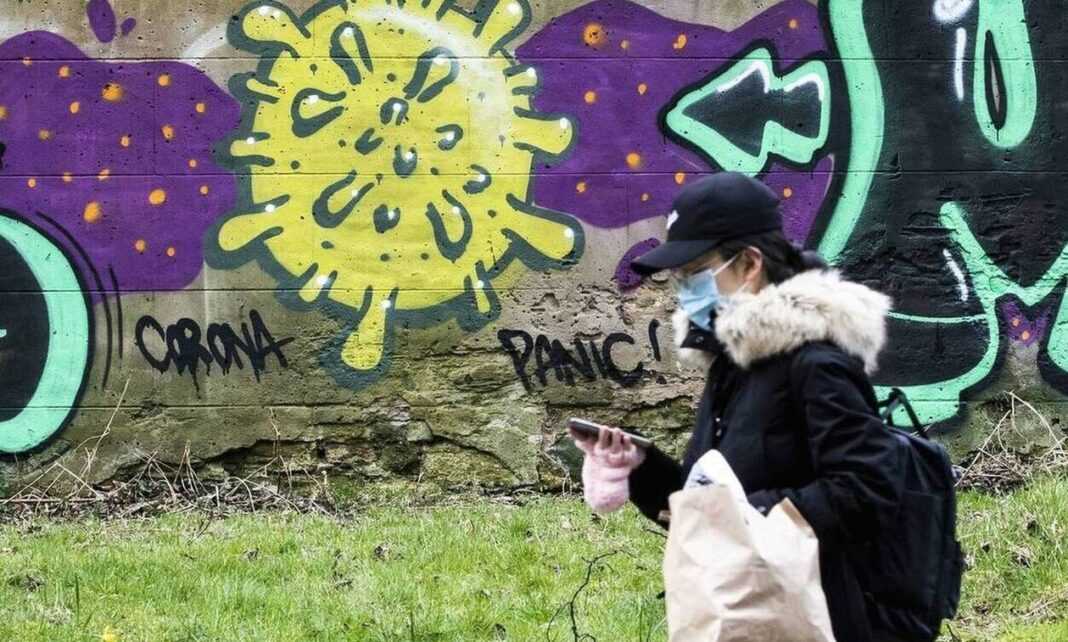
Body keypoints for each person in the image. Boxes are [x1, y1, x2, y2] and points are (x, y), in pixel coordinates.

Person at [570, 172, 906, 642]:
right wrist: (639, 470)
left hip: (818, 616)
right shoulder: (732, 363)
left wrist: (747, 514)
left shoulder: (817, 364)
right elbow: (713, 500)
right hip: (748, 609)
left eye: (694, 273)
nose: (683, 290)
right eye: (678, 278)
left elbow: (868, 489)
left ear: (749, 263)